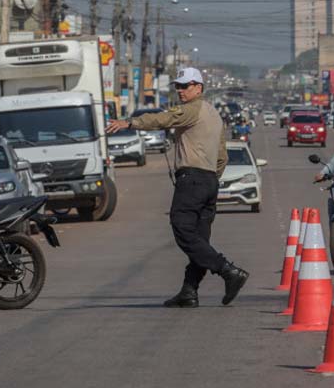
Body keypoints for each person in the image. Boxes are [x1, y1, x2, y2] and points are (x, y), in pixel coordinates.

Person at [105, 67, 249, 308]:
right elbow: (222, 155)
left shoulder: (192, 110)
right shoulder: (213, 113)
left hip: (192, 180)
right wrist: (210, 178)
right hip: (210, 180)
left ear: (199, 88)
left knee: (182, 229)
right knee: (200, 240)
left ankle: (228, 271)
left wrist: (128, 122)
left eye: (185, 86)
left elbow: (162, 119)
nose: (180, 91)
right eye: (178, 86)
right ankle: (189, 291)